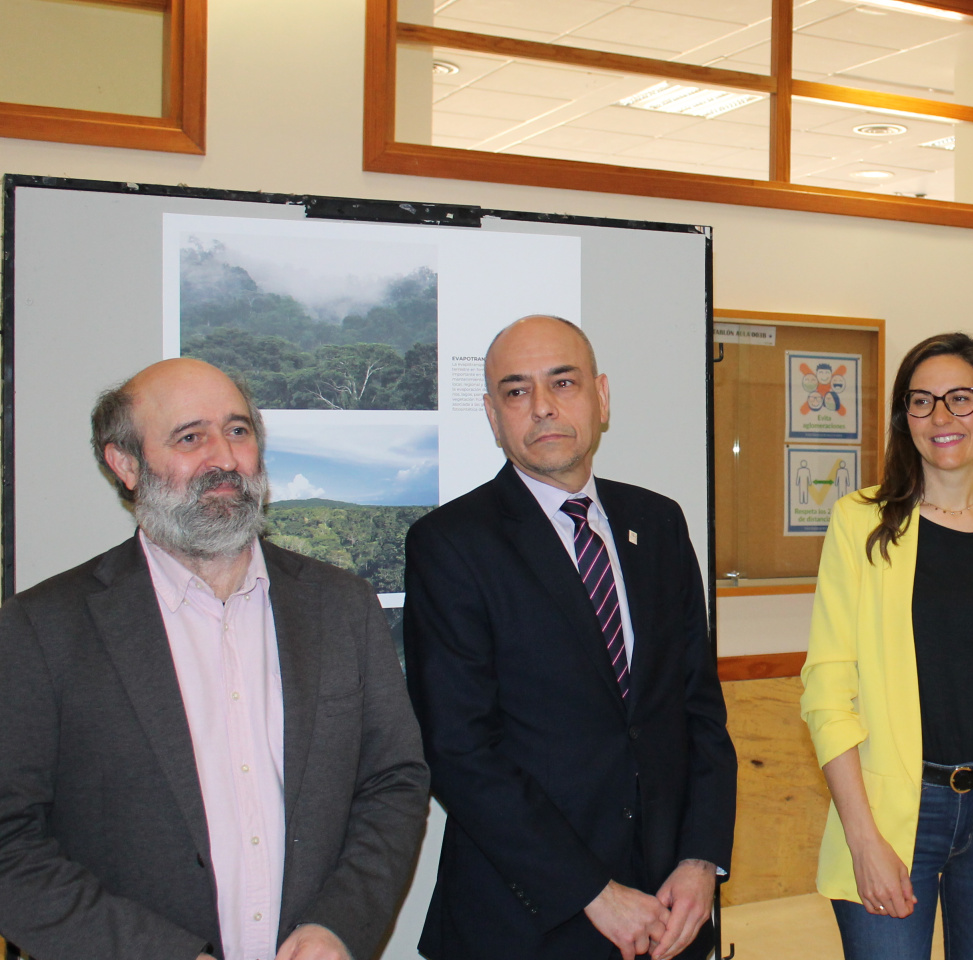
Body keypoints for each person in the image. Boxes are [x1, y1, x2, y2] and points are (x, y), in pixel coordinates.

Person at [0, 358, 430, 960]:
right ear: (124, 464)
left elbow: (394, 780)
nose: (224, 460)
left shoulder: (341, 606)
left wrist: (339, 926)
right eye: (189, 437)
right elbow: (9, 843)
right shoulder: (43, 629)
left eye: (238, 431)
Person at [404, 315, 737, 960]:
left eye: (563, 382)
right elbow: (460, 749)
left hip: (672, 912)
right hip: (527, 920)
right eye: (517, 391)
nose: (544, 407)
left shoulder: (659, 523)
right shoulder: (451, 544)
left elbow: (699, 712)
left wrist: (702, 862)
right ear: (493, 416)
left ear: (601, 396)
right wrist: (593, 892)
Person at [799, 332, 973, 960]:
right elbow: (826, 691)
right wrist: (862, 838)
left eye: (961, 398)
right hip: (890, 817)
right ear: (905, 418)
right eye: (922, 402)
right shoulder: (860, 521)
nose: (942, 417)